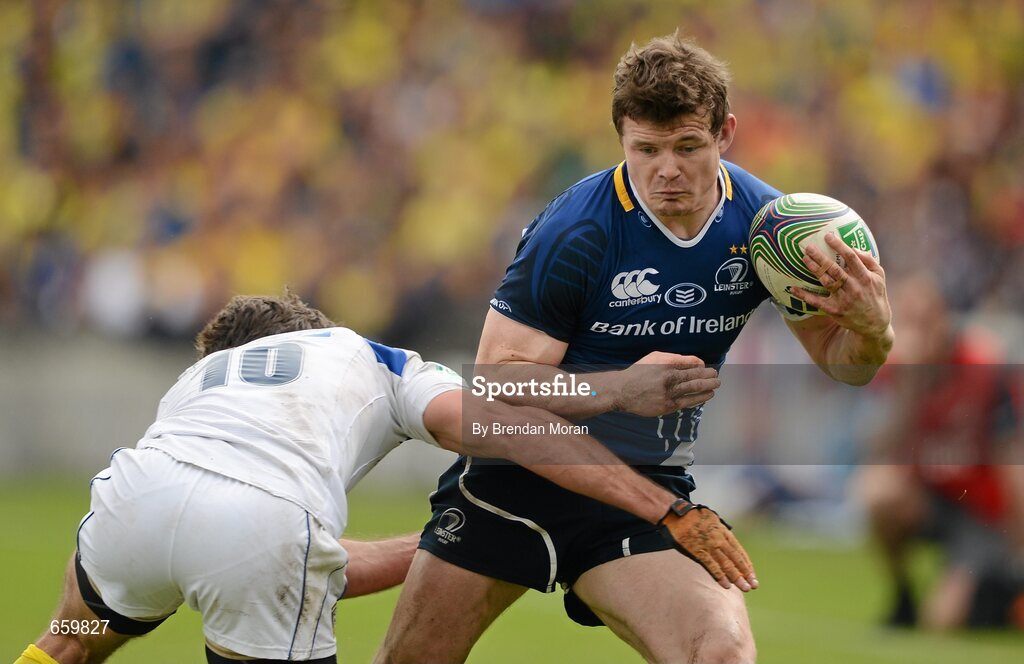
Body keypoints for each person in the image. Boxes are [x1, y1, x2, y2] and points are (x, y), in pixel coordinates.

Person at [377, 32, 894, 664]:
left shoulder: (773, 228)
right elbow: (495, 385)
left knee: (721, 655)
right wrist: (619, 388)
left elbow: (849, 370)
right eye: (645, 149)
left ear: (725, 132)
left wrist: (873, 330)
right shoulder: (578, 230)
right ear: (621, 137)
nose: (667, 169)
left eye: (687, 146)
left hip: (644, 489)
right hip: (515, 480)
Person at [17, 290, 753, 664]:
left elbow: (303, 561)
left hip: (134, 501)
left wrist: (441, 544)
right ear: (305, 328)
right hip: (260, 532)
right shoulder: (365, 354)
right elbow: (499, 420)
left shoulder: (199, 378)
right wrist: (630, 434)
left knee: (72, 640)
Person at [859, 274, 1024, 630]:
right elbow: (878, 450)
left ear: (944, 319)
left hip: (980, 512)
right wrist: (911, 388)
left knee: (943, 623)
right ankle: (902, 595)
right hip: (932, 500)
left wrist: (1018, 545)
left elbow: (1011, 459)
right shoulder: (898, 373)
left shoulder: (983, 369)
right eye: (908, 321)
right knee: (877, 492)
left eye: (924, 320)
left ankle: (1000, 595)